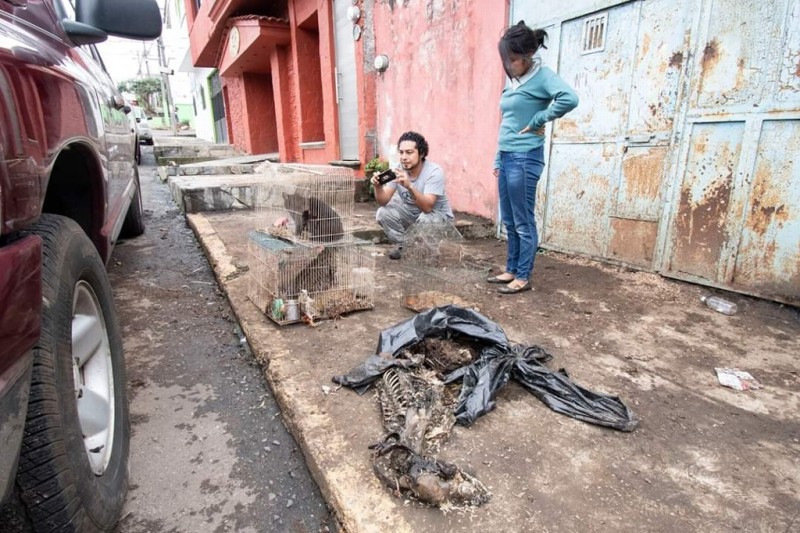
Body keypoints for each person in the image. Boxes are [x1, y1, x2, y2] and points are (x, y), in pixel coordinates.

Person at [488, 21, 579, 294]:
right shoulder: (514, 80)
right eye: (507, 60)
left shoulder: (543, 76)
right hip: (506, 156)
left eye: (513, 60)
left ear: (527, 57)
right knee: (510, 220)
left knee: (523, 220)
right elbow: (507, 121)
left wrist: (541, 117)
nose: (509, 65)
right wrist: (497, 157)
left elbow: (569, 98)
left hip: (525, 157)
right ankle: (511, 269)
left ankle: (523, 276)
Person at [372, 131, 454, 259]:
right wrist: (377, 186)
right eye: (401, 152)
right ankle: (405, 246)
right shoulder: (398, 170)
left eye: (409, 152)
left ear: (421, 153)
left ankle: (426, 250)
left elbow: (427, 207)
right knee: (383, 212)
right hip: (412, 215)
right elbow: (383, 201)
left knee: (424, 218)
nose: (404, 157)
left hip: (436, 216)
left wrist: (409, 186)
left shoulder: (434, 172)